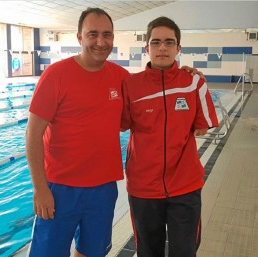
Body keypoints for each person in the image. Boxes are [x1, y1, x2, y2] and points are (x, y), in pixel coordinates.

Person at [26, 7, 203, 257]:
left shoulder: (122, 79)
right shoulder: (56, 75)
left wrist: (185, 73)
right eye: (93, 34)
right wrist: (40, 188)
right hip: (60, 187)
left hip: (103, 188)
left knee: (91, 251)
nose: (101, 42)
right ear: (79, 37)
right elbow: (32, 136)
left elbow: (152, 90)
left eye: (107, 35)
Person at [121, 16, 219, 257]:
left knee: (185, 251)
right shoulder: (130, 86)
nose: (162, 47)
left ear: (178, 48)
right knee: (148, 252)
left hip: (185, 186)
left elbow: (203, 126)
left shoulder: (194, 82)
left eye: (168, 42)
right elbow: (119, 125)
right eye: (155, 42)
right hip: (143, 188)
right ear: (146, 48)